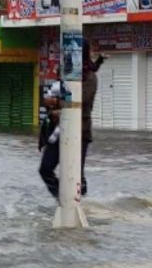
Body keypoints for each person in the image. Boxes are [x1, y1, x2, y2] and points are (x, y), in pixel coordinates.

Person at [39, 42, 104, 200]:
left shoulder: (90, 77)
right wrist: (49, 102)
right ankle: (62, 199)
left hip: (79, 130)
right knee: (45, 169)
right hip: (59, 131)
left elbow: (80, 101)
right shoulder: (66, 74)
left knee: (76, 175)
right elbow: (52, 93)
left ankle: (81, 207)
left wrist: (57, 103)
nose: (68, 55)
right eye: (67, 52)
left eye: (73, 52)